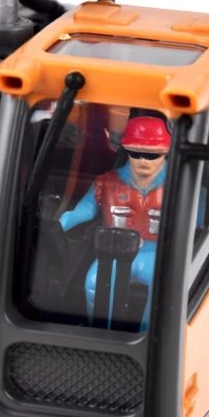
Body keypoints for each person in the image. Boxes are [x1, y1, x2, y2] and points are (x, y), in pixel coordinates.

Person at [59, 113, 170, 331]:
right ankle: (103, 333)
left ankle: (147, 336)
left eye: (152, 155)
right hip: (113, 251)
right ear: (126, 150)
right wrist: (66, 220)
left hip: (156, 254)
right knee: (94, 283)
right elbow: (88, 206)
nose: (144, 161)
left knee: (163, 289)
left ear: (165, 152)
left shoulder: (181, 188)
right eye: (136, 153)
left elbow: (199, 218)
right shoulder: (107, 182)